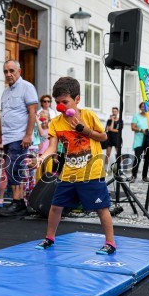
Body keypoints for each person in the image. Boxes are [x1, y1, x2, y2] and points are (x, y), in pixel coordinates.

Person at [34, 77, 116, 255]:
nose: (60, 107)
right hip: (69, 173)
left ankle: (110, 242)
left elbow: (104, 138)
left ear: (77, 99)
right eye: (57, 102)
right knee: (56, 207)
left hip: (91, 172)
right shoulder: (56, 123)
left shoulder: (88, 115)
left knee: (101, 208)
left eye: (65, 102)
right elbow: (52, 147)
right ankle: (49, 238)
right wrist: (41, 157)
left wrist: (84, 130)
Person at [0, 60, 38, 216]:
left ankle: (17, 202)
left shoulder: (27, 87)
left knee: (15, 168)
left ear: (19, 71)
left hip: (19, 137)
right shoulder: (5, 92)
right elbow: (3, 115)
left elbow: (32, 113)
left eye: (11, 71)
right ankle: (18, 202)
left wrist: (28, 135)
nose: (8, 74)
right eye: (5, 71)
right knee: (10, 169)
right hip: (7, 136)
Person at [130, 102, 149, 182]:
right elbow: (133, 127)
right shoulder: (136, 116)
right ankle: (133, 176)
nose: (143, 108)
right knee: (137, 158)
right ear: (140, 107)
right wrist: (141, 130)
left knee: (147, 159)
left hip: (148, 141)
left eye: (145, 107)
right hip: (139, 140)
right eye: (142, 106)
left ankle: (144, 176)